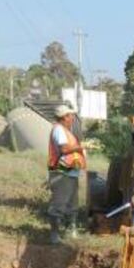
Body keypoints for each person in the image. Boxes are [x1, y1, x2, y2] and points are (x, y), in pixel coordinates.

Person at [47, 104, 86, 244]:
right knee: (59, 205)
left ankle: (71, 231)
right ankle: (54, 235)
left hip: (70, 173)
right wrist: (81, 146)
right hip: (62, 172)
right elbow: (64, 149)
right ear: (64, 117)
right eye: (70, 115)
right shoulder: (58, 129)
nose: (72, 118)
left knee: (72, 205)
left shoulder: (65, 130)